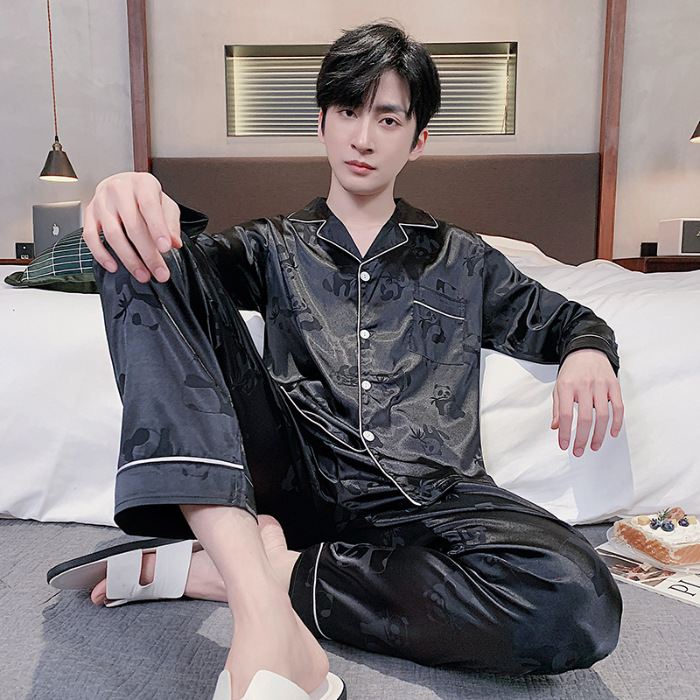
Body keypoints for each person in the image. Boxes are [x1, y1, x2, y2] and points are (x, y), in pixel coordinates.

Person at [49, 22, 624, 700]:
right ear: (321, 122)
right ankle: (262, 609)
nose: (363, 137)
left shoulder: (466, 259)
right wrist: (130, 198)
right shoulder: (271, 246)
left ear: (418, 140)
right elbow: (134, 271)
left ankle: (260, 571)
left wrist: (589, 349)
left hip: (429, 491)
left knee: (579, 597)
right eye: (348, 111)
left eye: (388, 119)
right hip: (294, 471)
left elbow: (568, 318)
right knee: (139, 254)